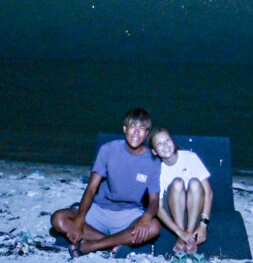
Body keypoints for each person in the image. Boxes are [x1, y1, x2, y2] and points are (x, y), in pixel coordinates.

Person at [51, 109, 163, 257]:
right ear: (124, 129)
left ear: (147, 133)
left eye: (141, 129)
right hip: (99, 210)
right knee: (58, 218)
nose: (136, 132)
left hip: (128, 215)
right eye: (132, 127)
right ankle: (113, 244)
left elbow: (154, 199)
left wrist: (146, 218)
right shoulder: (108, 150)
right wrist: (79, 220)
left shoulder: (152, 160)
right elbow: (91, 188)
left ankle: (92, 245)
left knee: (154, 227)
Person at [149, 127, 213, 254]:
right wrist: (179, 232)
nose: (165, 146)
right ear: (154, 151)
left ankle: (189, 233)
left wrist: (203, 224)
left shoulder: (190, 157)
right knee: (178, 182)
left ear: (173, 142)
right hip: (173, 211)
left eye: (168, 140)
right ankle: (182, 235)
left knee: (195, 182)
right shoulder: (156, 169)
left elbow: (208, 193)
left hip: (193, 211)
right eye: (159, 143)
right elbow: (158, 207)